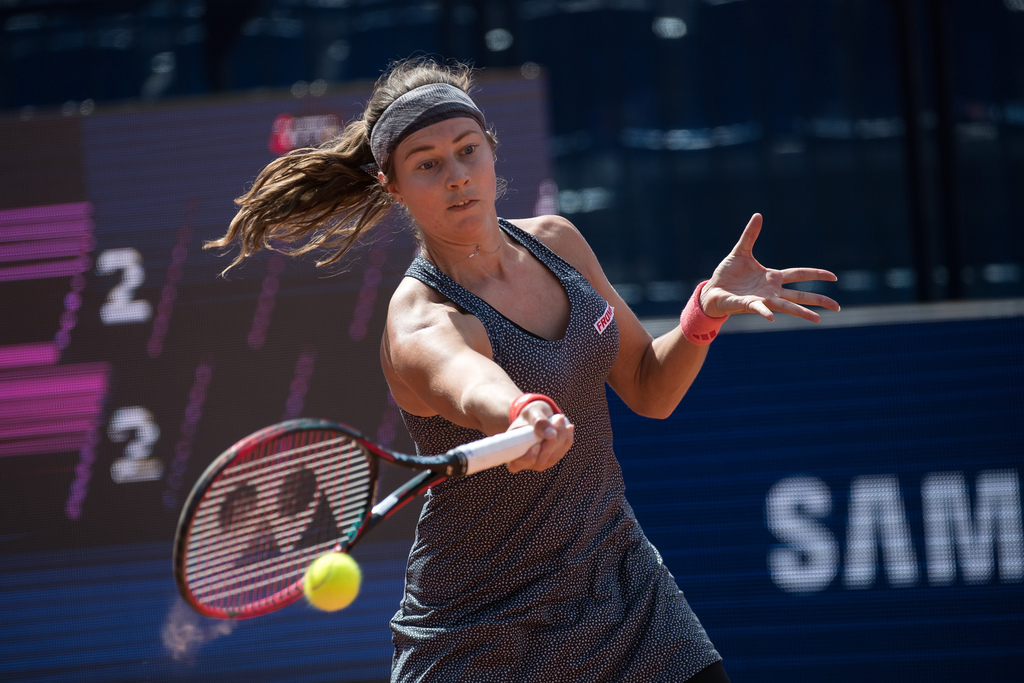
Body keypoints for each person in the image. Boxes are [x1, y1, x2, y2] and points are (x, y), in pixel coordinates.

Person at [208, 57, 840, 682]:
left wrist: (704, 311)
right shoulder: (419, 320)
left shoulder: (558, 243)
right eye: (427, 164)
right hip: (482, 635)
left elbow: (650, 387)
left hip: (621, 584)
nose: (456, 176)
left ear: (491, 149)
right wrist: (519, 412)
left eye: (467, 150)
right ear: (391, 185)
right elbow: (467, 379)